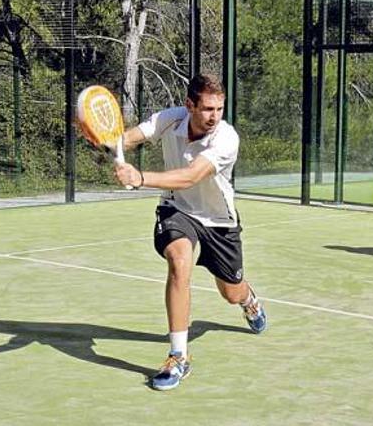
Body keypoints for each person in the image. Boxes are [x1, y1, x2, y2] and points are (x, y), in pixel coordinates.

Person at [113, 73, 266, 390]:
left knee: (231, 291)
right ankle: (178, 357)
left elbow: (190, 176)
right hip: (177, 210)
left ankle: (249, 300)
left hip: (219, 222)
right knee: (180, 261)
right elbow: (129, 137)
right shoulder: (171, 119)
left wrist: (139, 177)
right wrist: (108, 139)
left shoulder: (226, 138)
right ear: (189, 105)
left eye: (219, 109)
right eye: (208, 109)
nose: (215, 116)